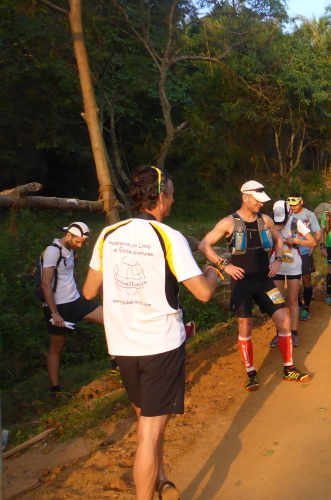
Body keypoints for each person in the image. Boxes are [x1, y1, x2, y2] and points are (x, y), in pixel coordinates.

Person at [83, 166, 220, 500]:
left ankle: (160, 478)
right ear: (160, 197)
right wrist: (212, 272)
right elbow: (203, 293)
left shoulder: (109, 234)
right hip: (160, 344)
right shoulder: (168, 236)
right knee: (149, 430)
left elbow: (88, 292)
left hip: (123, 346)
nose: (172, 201)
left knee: (148, 419)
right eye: (170, 195)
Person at [198, 180, 311, 392]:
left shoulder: (265, 220)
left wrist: (278, 260)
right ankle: (251, 373)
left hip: (265, 281)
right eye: (257, 200)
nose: (261, 204)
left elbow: (278, 240)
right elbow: (204, 245)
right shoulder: (229, 222)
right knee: (245, 326)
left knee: (284, 320)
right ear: (245, 197)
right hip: (242, 284)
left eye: (262, 201)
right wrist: (224, 265)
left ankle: (289, 368)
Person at [40, 222, 109, 397]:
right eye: (78, 242)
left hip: (76, 300)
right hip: (59, 306)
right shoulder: (52, 251)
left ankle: (117, 365)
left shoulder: (70, 250)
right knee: (57, 346)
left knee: (111, 319)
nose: (79, 246)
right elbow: (45, 284)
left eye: (82, 243)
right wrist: (55, 313)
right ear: (69, 235)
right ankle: (55, 390)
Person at [270, 200, 316, 347]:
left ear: (288, 213)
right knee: (278, 302)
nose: (281, 223)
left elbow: (312, 242)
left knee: (293, 300)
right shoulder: (270, 224)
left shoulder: (296, 223)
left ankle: (293, 334)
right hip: (276, 266)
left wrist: (296, 240)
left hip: (293, 266)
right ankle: (280, 333)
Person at [288, 192, 322, 321]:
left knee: (306, 279)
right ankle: (298, 305)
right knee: (293, 281)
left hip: (304, 252)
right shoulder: (287, 214)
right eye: (290, 205)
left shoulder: (309, 215)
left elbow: (318, 232)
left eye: (295, 205)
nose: (292, 207)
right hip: (291, 254)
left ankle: (306, 307)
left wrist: (314, 245)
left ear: (301, 202)